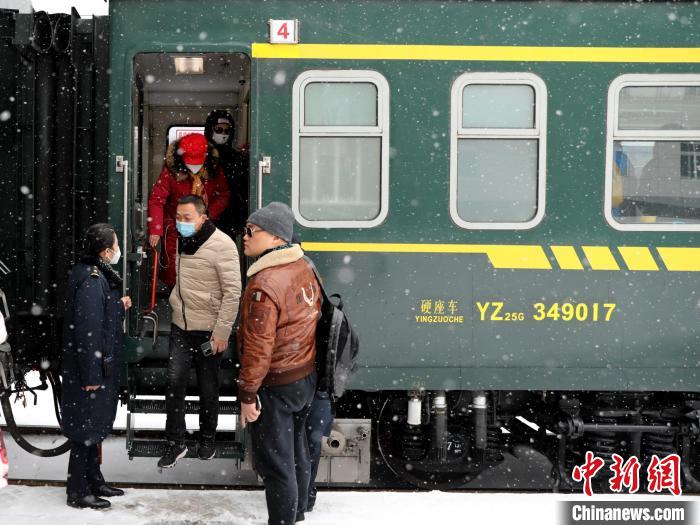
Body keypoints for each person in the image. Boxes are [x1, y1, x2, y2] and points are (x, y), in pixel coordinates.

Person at [237, 202, 320, 525]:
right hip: (303, 378)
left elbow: (259, 347)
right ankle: (296, 514)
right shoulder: (303, 268)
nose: (244, 237)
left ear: (275, 238)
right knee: (297, 451)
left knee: (276, 466)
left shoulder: (266, 284)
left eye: (251, 231)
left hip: (277, 383)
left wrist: (247, 395)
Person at [157, 195, 241, 468]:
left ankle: (207, 440)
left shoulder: (222, 245)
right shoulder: (183, 240)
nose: (181, 223)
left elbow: (232, 293)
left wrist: (221, 332)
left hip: (208, 330)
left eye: (187, 218)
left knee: (208, 387)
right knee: (174, 383)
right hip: (181, 324)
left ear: (203, 217)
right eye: (178, 217)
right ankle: (175, 442)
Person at [61, 223, 132, 509]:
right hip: (89, 371)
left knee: (92, 427)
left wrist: (117, 306)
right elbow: (88, 331)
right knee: (85, 431)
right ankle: (78, 491)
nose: (118, 250)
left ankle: (93, 479)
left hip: (93, 367)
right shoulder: (92, 280)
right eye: (116, 245)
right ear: (105, 251)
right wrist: (91, 374)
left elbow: (98, 314)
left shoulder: (93, 275)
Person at [148, 132, 230, 287]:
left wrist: (208, 214)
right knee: (174, 267)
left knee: (204, 265)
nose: (194, 167)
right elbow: (157, 200)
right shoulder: (170, 171)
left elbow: (223, 195)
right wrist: (155, 229)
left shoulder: (214, 171)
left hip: (205, 226)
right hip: (174, 226)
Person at [204, 110, 249, 236]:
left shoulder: (237, 158)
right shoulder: (200, 155)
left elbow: (242, 189)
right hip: (204, 216)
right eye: (218, 129)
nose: (223, 134)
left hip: (230, 220)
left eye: (227, 130)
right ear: (210, 129)